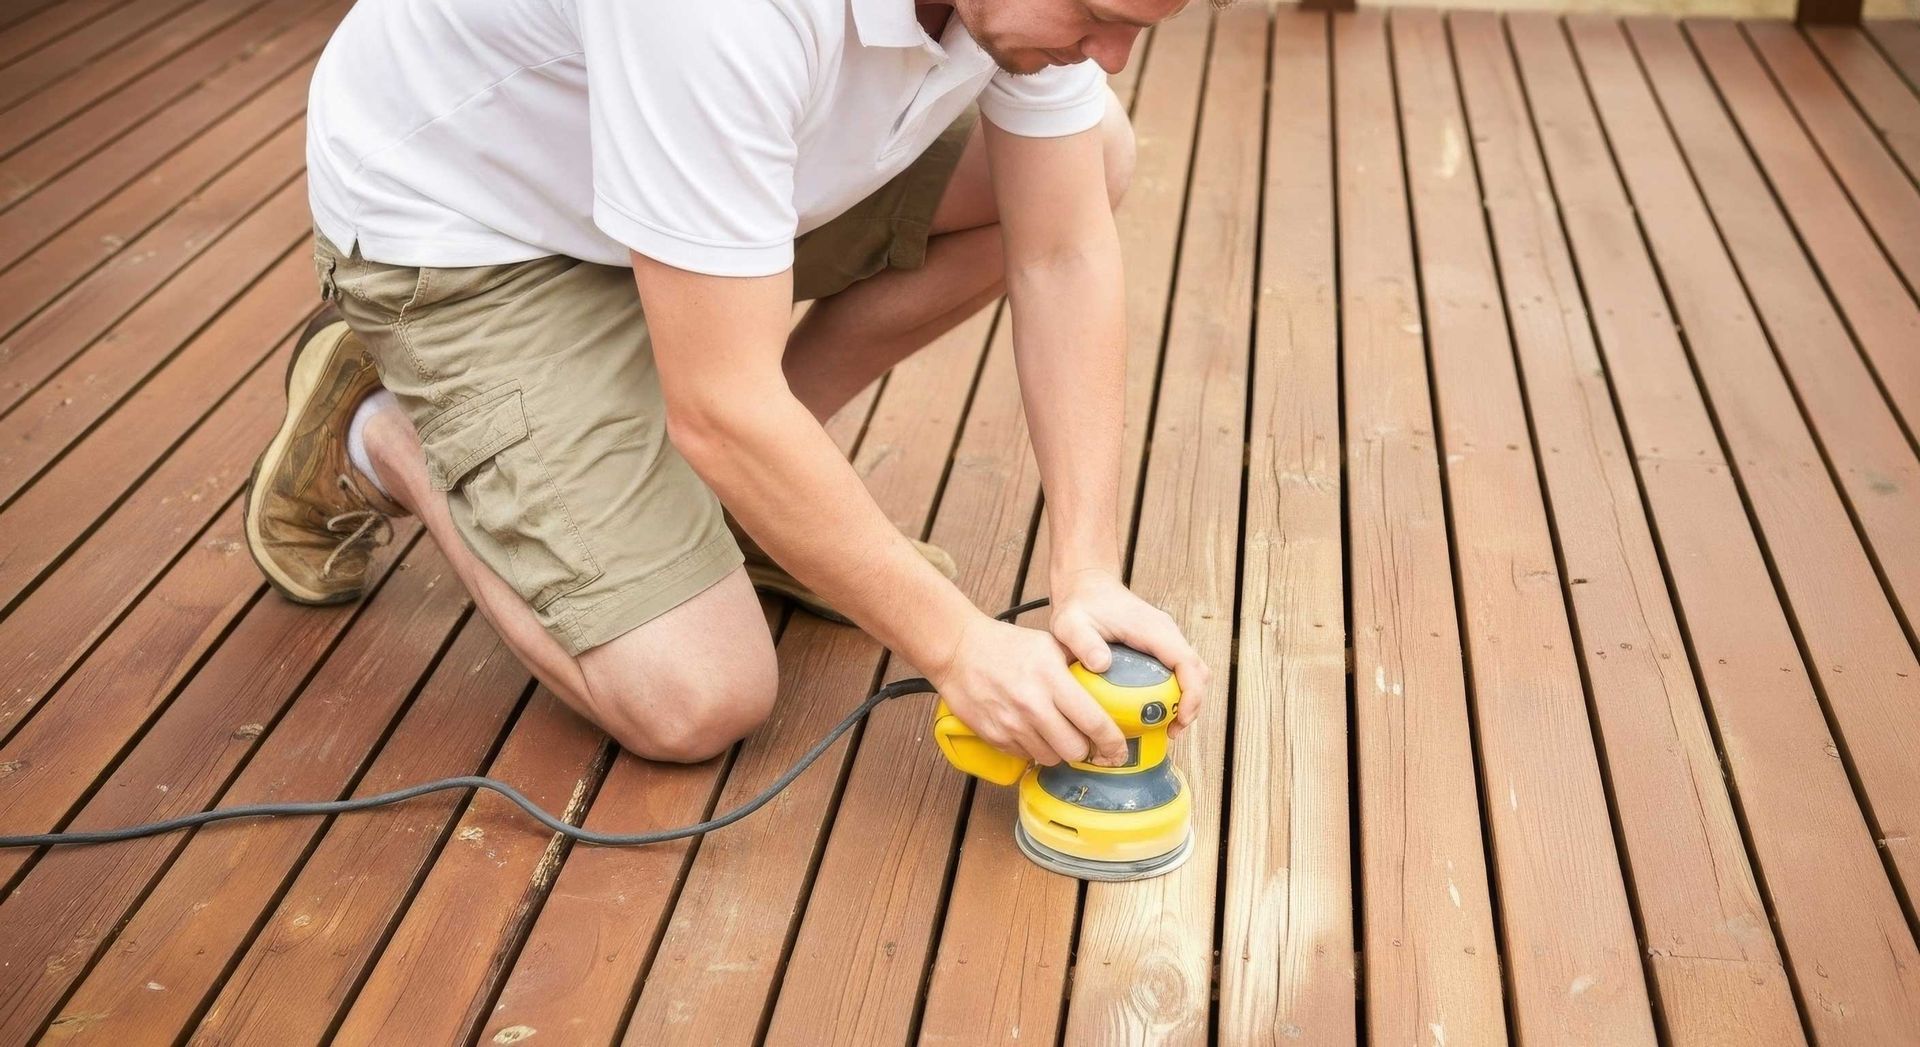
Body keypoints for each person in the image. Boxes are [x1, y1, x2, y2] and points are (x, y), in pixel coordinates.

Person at [245, 0, 1211, 772]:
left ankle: (742, 500)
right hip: (478, 225)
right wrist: (959, 647)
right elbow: (720, 407)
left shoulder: (1030, 20)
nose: (1114, 54)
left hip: (691, 163)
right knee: (694, 696)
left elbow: (1060, 251)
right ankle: (383, 425)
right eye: (1098, 13)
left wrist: (1089, 571)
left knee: (1094, 153)